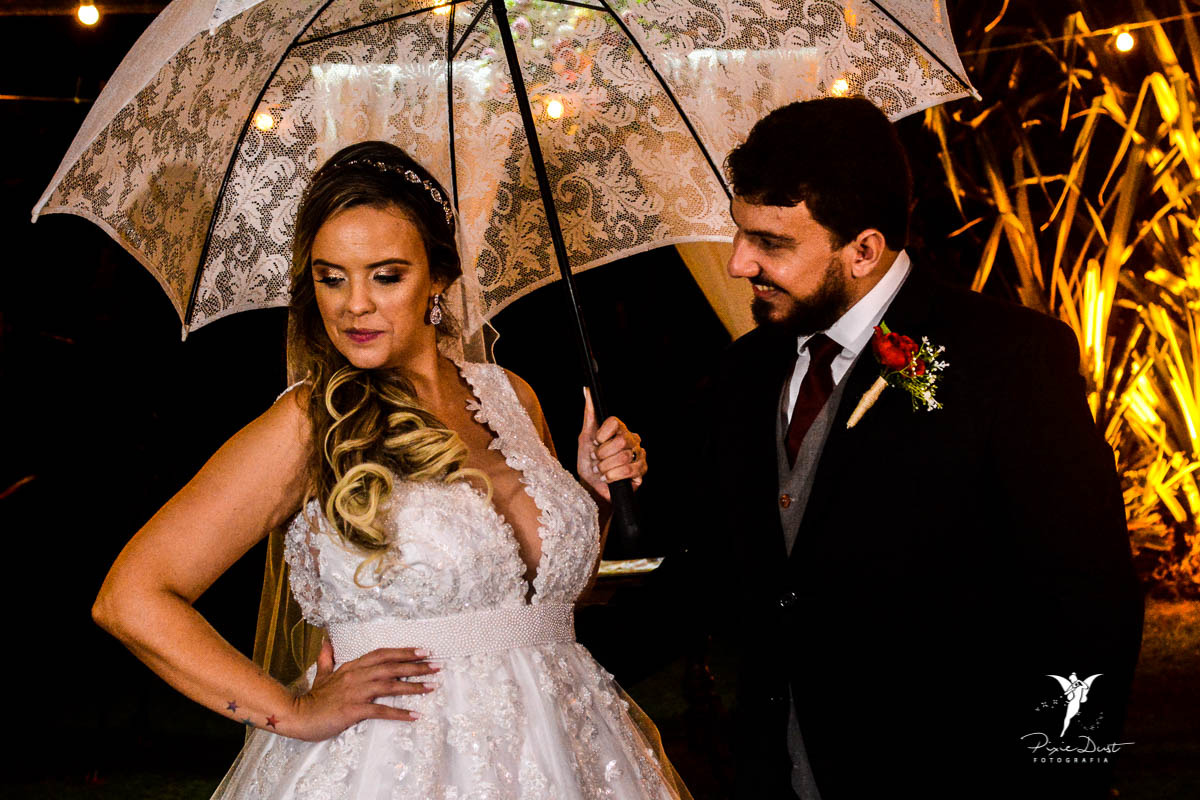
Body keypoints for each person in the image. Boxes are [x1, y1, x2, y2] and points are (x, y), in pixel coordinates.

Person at [92, 141, 690, 799]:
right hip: (401, 764)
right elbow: (132, 597)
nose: (354, 305)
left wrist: (594, 498)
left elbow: (536, 603)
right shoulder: (309, 423)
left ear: (437, 277)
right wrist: (292, 711)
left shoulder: (510, 396)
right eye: (331, 278)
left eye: (385, 276)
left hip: (570, 749)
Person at [669, 97, 1143, 799]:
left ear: (863, 250)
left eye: (771, 243)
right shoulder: (746, 370)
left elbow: (1090, 600)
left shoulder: (1008, 359)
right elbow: (717, 568)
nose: (739, 263)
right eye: (741, 233)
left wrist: (1068, 775)